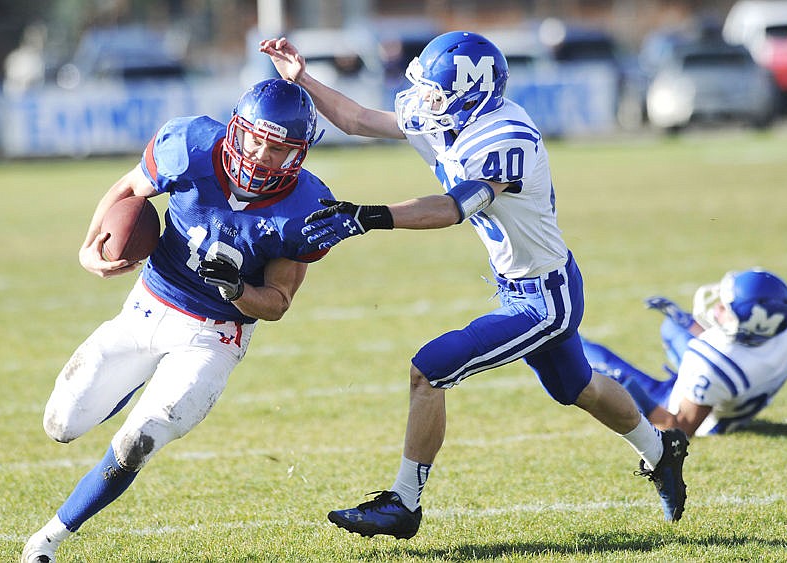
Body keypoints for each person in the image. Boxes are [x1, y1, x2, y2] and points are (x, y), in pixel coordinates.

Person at [261, 31, 690, 539]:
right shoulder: (446, 114)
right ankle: (662, 450)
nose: (424, 102)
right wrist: (302, 79)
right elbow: (360, 120)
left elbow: (450, 209)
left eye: (435, 94)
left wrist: (368, 216)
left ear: (471, 95)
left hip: (543, 298)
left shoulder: (505, 137)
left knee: (429, 370)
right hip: (522, 282)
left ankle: (404, 502)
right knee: (579, 388)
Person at [21, 79, 335, 562]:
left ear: (299, 154)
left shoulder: (306, 205)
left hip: (214, 336)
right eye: (256, 138)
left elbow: (277, 301)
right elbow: (129, 187)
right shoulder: (189, 145)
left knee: (136, 442)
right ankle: (132, 380)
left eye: (278, 148)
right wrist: (90, 247)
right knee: (60, 424)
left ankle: (49, 540)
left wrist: (237, 289)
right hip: (146, 305)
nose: (262, 154)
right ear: (237, 128)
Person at [581, 268, 787, 437]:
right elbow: (741, 350)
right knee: (673, 327)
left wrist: (630, 389)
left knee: (587, 354)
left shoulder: (714, 368)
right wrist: (689, 325)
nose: (718, 306)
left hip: (701, 413)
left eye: (725, 308)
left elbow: (677, 429)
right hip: (742, 385)